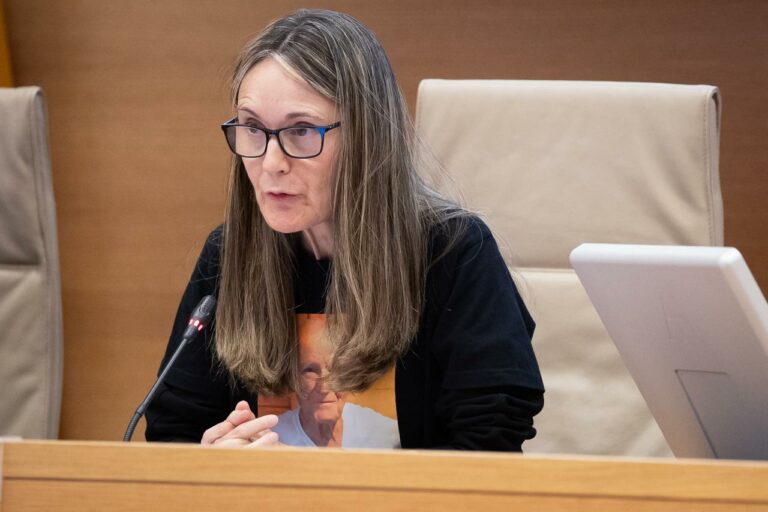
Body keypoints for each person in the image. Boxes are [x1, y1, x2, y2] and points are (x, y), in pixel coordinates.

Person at [145, 9, 544, 450]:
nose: (271, 162)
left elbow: (486, 456)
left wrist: (309, 490)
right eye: (254, 128)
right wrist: (211, 464)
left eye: (300, 130)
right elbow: (173, 432)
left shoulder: (453, 254)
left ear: (365, 136)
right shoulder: (227, 256)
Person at [272, 314, 400, 448]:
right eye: (309, 370)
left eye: (337, 369)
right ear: (294, 379)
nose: (324, 387)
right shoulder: (276, 438)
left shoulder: (383, 433)